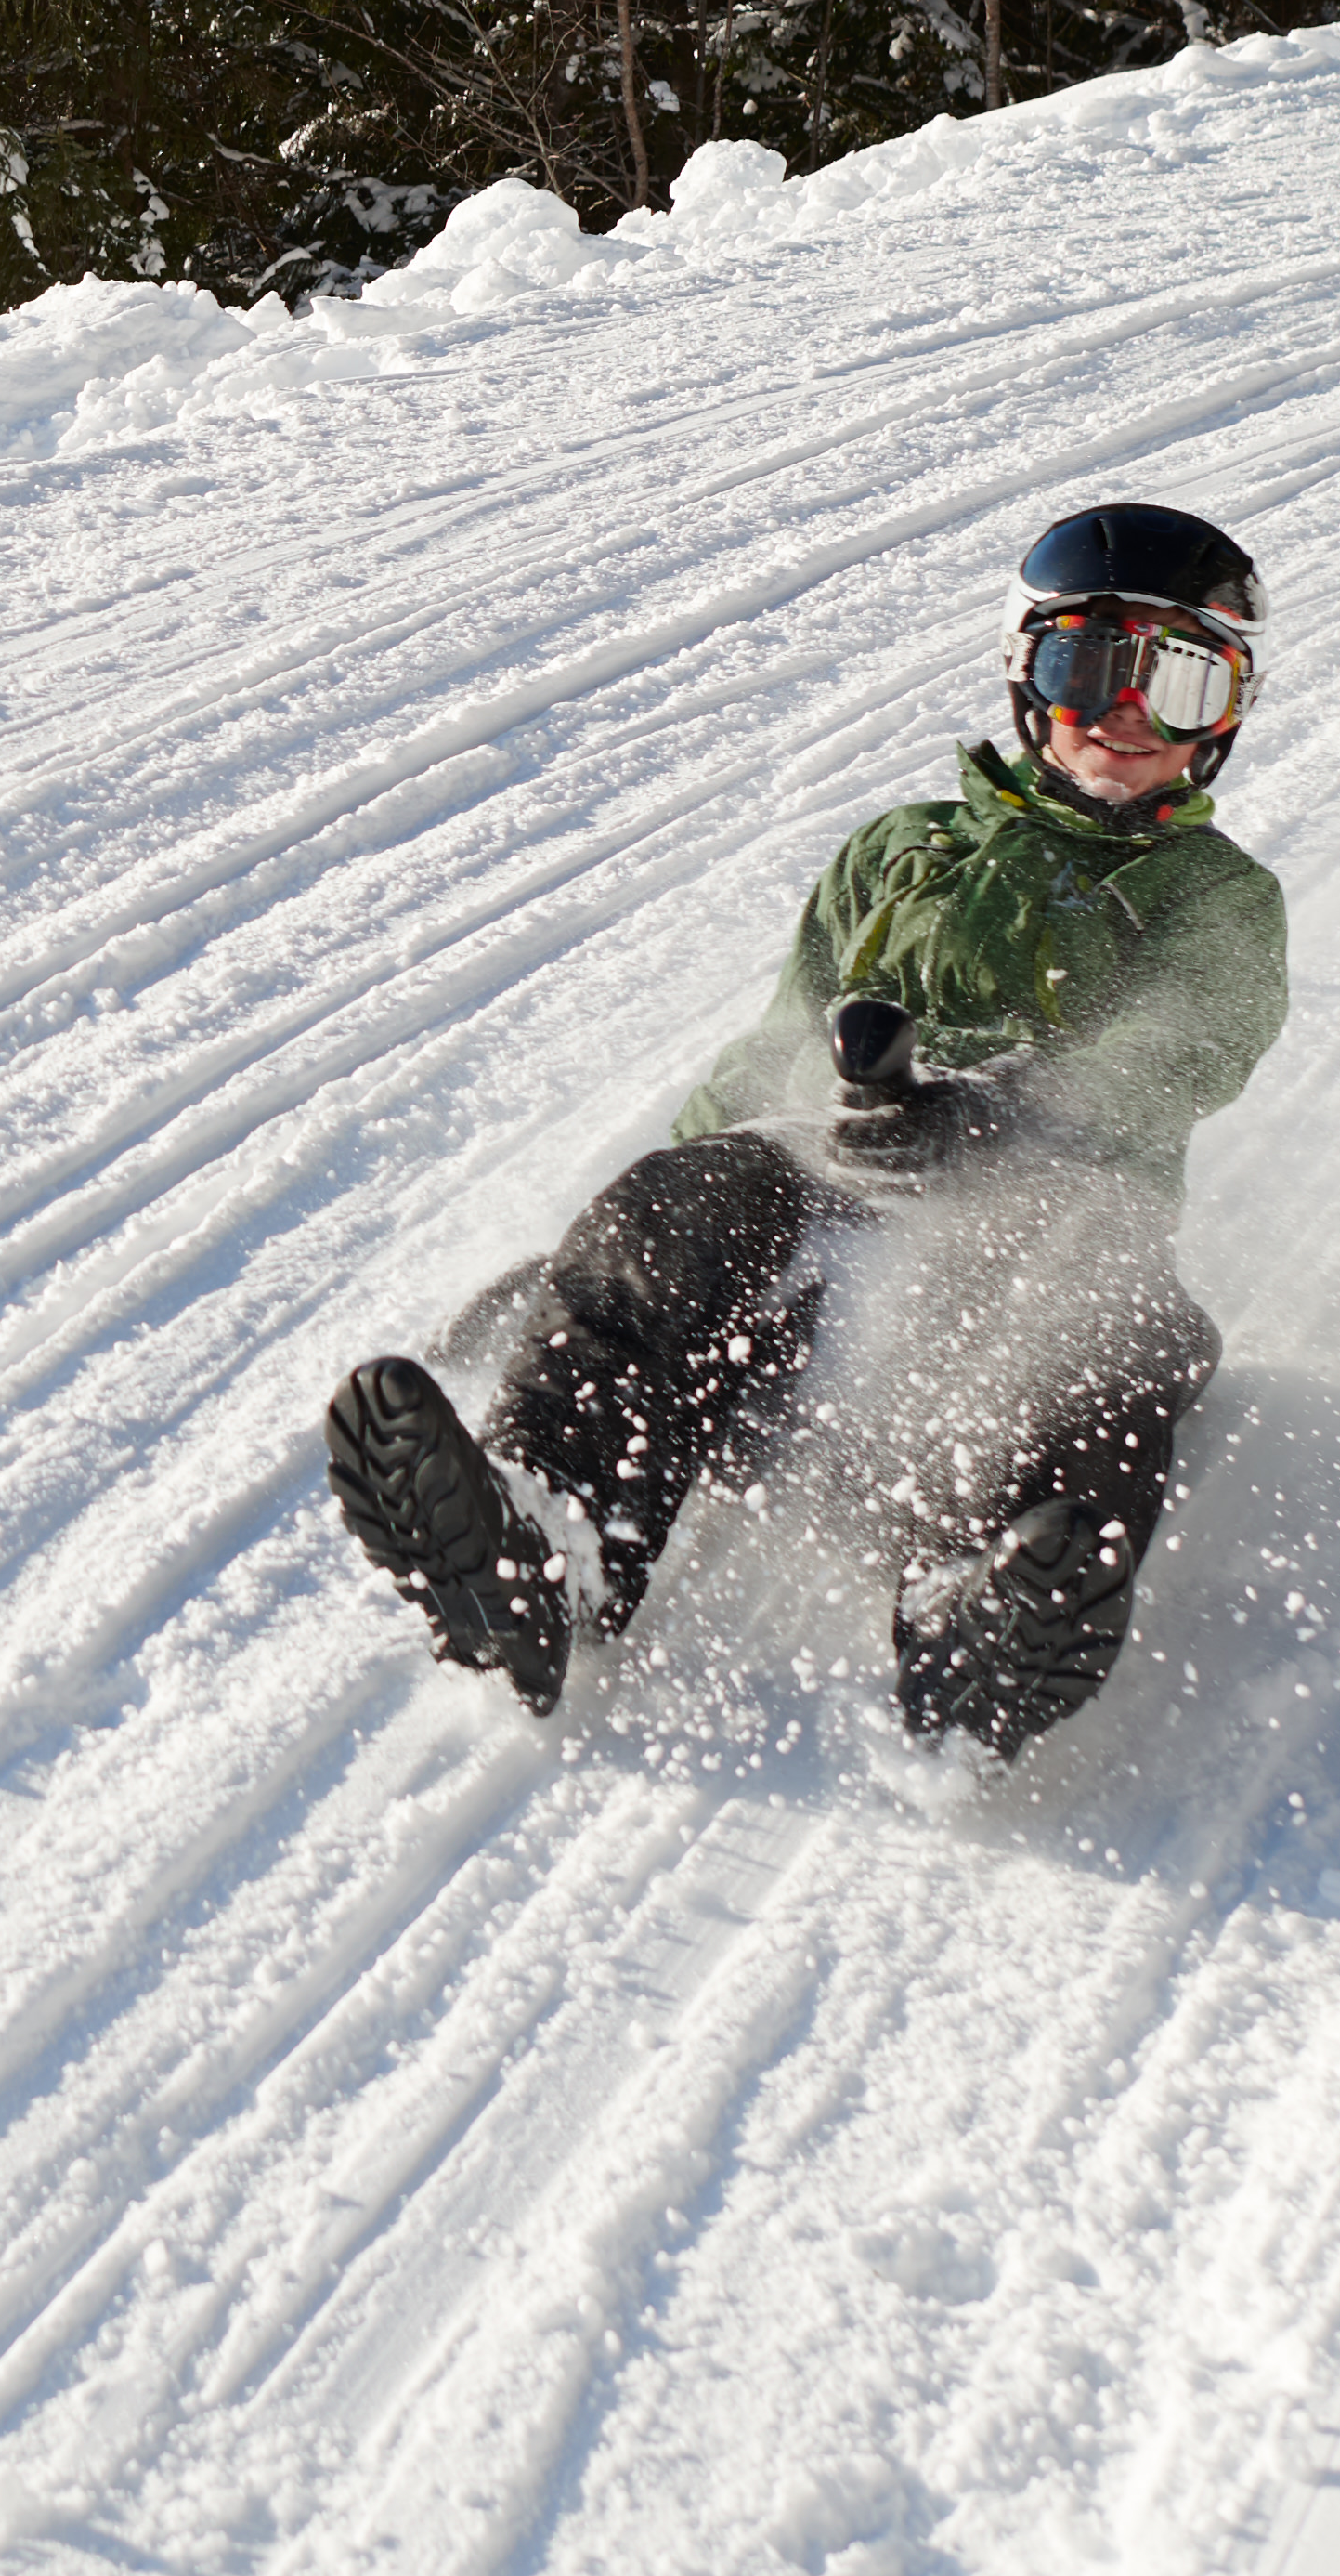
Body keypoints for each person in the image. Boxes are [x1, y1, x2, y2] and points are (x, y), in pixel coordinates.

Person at [324, 503, 1290, 1746]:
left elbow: (1189, 1047)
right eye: (1085, 667)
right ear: (1023, 677)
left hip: (1044, 1210)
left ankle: (983, 1615)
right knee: (678, 1214)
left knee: (1102, 1348)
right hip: (824, 1218)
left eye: (1181, 682)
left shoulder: (1213, 897)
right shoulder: (901, 850)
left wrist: (1008, 1119)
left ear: (1226, 715)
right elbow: (784, 1039)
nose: (1123, 714)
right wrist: (604, 1248)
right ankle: (548, 1547)